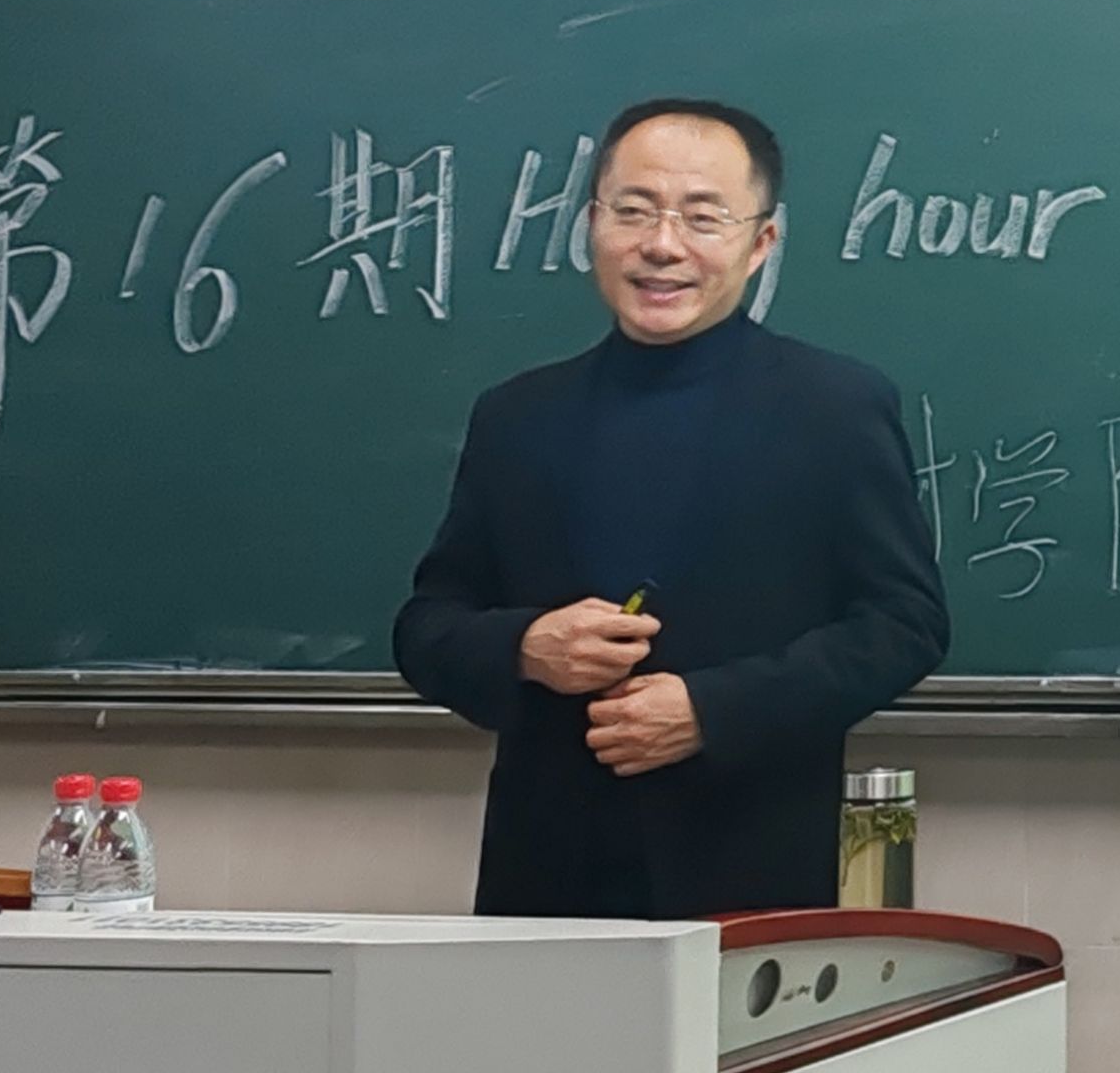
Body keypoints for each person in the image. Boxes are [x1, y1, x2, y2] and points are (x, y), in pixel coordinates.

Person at [394, 98, 949, 918]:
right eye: (634, 210)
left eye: (703, 217)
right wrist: (524, 647)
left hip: (756, 877)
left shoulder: (833, 407)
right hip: (544, 883)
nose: (662, 244)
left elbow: (905, 624)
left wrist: (712, 712)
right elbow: (427, 627)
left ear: (761, 243)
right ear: (592, 224)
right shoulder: (517, 416)